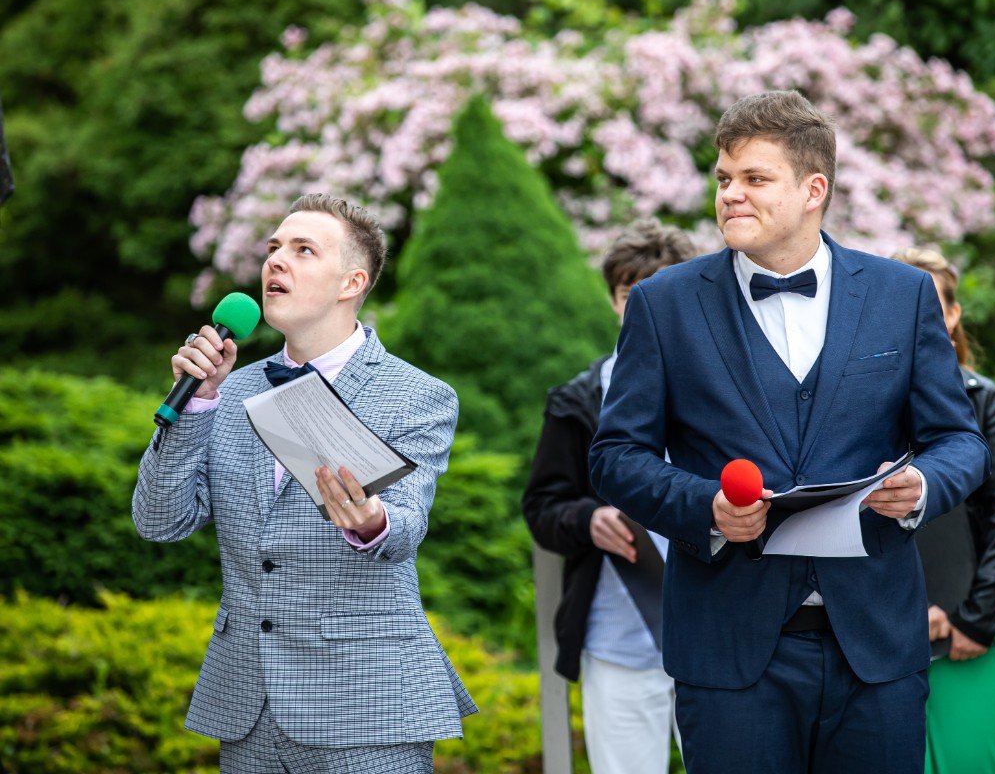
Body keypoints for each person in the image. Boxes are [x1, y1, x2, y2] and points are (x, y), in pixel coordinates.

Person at [588, 90, 990, 773]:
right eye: (723, 178)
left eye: (754, 178)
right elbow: (615, 456)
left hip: (877, 650)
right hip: (727, 650)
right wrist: (706, 508)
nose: (730, 195)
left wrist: (922, 484)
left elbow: (962, 441)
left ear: (813, 190)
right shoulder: (664, 303)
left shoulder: (902, 295)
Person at [133, 194, 476, 773]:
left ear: (351, 283)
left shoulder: (417, 395)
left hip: (367, 704)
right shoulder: (229, 392)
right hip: (248, 703)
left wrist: (373, 522)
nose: (275, 260)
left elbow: (406, 524)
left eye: (303, 250)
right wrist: (196, 404)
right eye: (273, 248)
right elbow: (159, 521)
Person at [522, 218, 696, 774]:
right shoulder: (577, 400)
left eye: (660, 292)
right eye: (629, 294)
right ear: (613, 300)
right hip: (617, 637)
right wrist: (588, 519)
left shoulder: (731, 390)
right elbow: (542, 507)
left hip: (717, 630)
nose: (644, 307)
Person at [892, 247, 995, 774]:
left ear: (954, 315)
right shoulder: (854, 405)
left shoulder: (983, 402)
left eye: (929, 304)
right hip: (884, 636)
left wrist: (975, 623)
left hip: (969, 630)